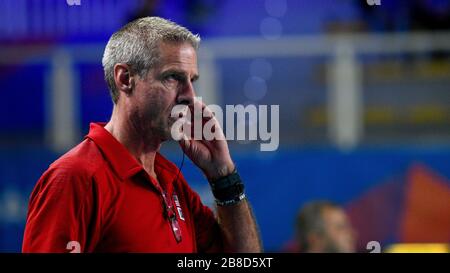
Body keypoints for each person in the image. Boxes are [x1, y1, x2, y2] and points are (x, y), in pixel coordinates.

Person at [22, 17, 261, 253]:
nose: (189, 95)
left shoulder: (170, 179)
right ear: (125, 79)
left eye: (191, 80)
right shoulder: (74, 179)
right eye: (173, 77)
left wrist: (224, 177)